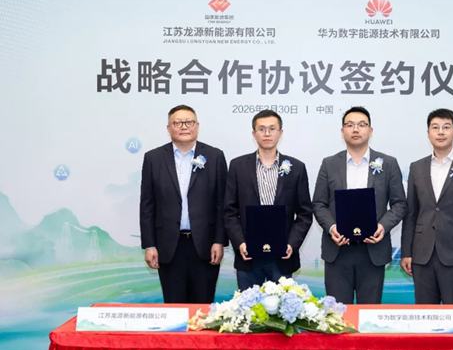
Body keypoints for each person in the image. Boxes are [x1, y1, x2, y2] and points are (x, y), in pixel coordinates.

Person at [313, 106, 407, 304]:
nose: (355, 129)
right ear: (342, 131)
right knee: (337, 315)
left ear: (370, 131)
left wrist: (382, 226)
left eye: (361, 125)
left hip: (373, 250)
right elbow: (319, 203)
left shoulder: (388, 163)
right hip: (338, 250)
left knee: (369, 314)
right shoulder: (329, 164)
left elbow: (399, 204)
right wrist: (332, 228)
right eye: (350, 125)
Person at [140, 104, 227, 303]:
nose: (184, 126)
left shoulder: (215, 156)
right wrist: (150, 244)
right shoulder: (153, 158)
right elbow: (147, 205)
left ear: (197, 126)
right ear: (168, 128)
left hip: (205, 245)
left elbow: (222, 203)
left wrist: (219, 241)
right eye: (178, 123)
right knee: (174, 307)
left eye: (189, 122)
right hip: (168, 245)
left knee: (203, 308)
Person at [401, 108, 453, 304]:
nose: (440, 132)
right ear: (428, 133)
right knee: (425, 314)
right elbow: (411, 213)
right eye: (435, 127)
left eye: (446, 127)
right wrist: (407, 252)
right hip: (422, 255)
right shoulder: (417, 167)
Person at [224, 109, 313, 290]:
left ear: (280, 132)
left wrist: (291, 244)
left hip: (282, 257)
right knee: (247, 307)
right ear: (254, 133)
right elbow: (229, 212)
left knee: (283, 307)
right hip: (248, 256)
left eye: (272, 129)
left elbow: (305, 214)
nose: (267, 133)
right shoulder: (238, 166)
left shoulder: (296, 168)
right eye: (261, 129)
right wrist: (240, 243)